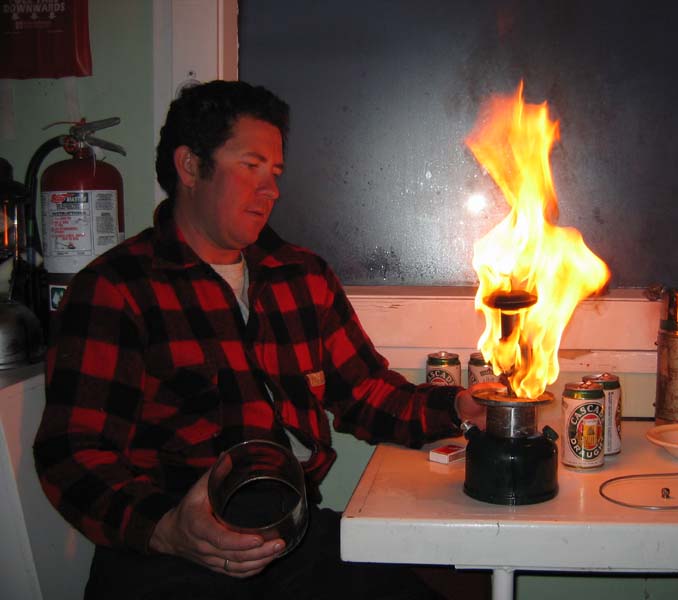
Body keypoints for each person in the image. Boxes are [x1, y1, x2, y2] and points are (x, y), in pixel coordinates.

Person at [33, 80, 488, 600]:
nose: (271, 189)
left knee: (462, 578)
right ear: (189, 166)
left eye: (274, 173)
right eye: (251, 166)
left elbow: (363, 392)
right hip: (173, 553)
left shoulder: (301, 275)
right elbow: (71, 454)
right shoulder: (117, 289)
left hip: (292, 534)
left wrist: (458, 406)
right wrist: (167, 529)